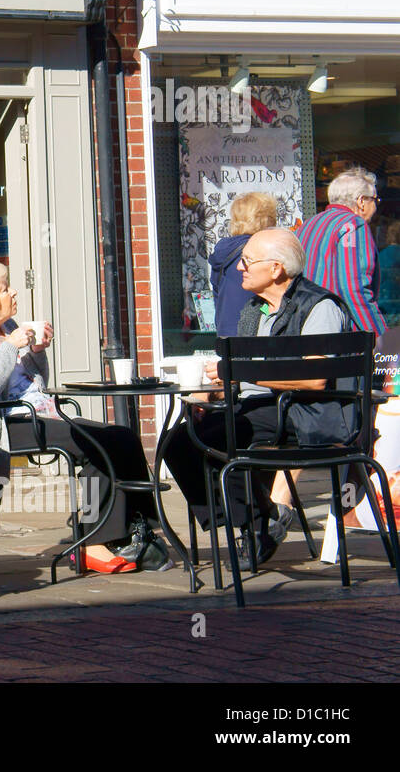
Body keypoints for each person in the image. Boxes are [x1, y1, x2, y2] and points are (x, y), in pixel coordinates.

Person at [0, 259, 167, 573]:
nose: (14, 293)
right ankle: (92, 542)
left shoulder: (8, 326)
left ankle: (137, 527)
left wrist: (37, 350)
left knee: (121, 437)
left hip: (36, 414)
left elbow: (36, 383)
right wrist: (11, 347)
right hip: (2, 426)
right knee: (93, 445)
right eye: (6, 288)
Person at [158, 229, 352, 565]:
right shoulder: (254, 309)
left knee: (228, 440)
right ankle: (256, 521)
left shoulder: (320, 307)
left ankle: (257, 526)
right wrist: (215, 391)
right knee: (178, 442)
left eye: (247, 261)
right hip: (259, 406)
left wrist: (240, 376)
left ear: (276, 268)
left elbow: (315, 380)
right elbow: (248, 378)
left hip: (306, 412)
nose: (239, 269)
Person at [296, 167, 386, 334]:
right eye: (374, 200)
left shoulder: (307, 225)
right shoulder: (354, 225)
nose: (375, 206)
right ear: (361, 201)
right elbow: (354, 289)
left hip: (305, 325)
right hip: (338, 334)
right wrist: (381, 337)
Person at [210, 192, 277, 337]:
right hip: (256, 335)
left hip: (226, 333)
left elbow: (217, 292)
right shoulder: (262, 251)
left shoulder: (224, 252)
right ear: (265, 220)